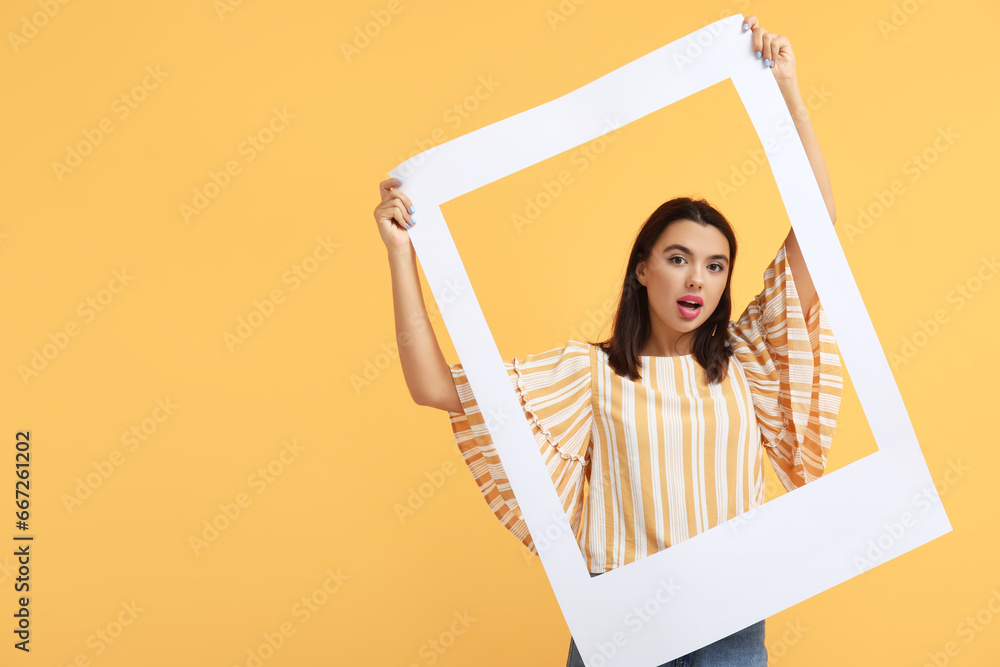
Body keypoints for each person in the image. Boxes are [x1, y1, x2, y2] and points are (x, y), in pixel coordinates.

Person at [373, 15, 842, 667]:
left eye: (715, 265)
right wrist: (401, 253)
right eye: (678, 258)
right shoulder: (588, 372)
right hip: (622, 629)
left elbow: (818, 227)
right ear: (643, 269)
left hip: (730, 628)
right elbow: (431, 386)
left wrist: (786, 87)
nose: (696, 279)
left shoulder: (750, 360)